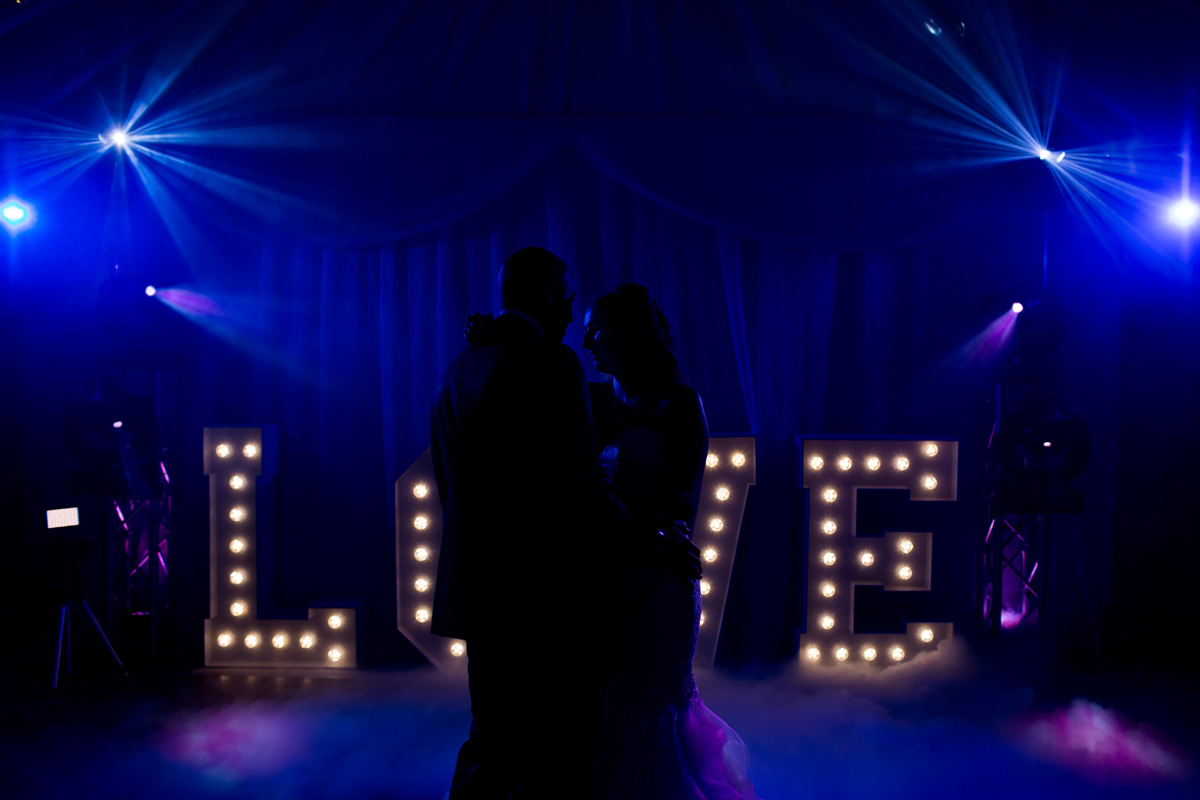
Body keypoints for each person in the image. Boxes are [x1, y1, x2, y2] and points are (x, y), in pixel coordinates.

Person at [430, 248, 700, 799]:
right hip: (545, 595)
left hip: (481, 589)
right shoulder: (553, 366)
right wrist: (650, 537)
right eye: (573, 305)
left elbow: (451, 482)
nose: (578, 329)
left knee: (492, 740)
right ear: (553, 295)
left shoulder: (460, 366)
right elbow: (579, 488)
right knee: (551, 752)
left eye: (597, 327)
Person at [582, 284, 758, 800]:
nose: (586, 340)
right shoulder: (602, 404)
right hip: (615, 576)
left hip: (663, 576)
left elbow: (684, 501)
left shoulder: (680, 403)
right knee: (614, 709)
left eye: (596, 328)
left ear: (627, 334)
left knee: (648, 710)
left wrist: (606, 488)